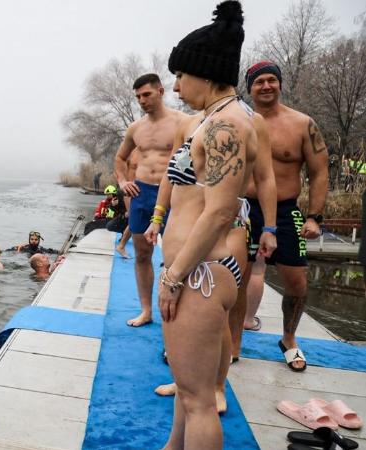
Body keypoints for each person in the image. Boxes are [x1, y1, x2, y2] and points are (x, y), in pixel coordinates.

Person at [148, 2, 252, 448]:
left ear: (205, 74)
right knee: (189, 391)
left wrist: (172, 277)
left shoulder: (223, 126)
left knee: (198, 401)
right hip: (206, 268)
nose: (176, 85)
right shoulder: (223, 118)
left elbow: (219, 211)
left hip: (199, 273)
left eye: (181, 75)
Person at [242, 60, 329, 372]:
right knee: (232, 275)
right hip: (243, 208)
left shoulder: (302, 124)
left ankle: (289, 338)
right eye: (258, 82)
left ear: (279, 84)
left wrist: (315, 217)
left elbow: (320, 173)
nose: (266, 86)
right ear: (249, 88)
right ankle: (230, 336)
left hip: (285, 210)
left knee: (297, 282)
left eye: (271, 80)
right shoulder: (240, 122)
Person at [114, 73, 189, 327]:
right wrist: (124, 183)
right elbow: (120, 159)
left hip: (175, 192)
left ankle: (179, 315)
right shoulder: (136, 128)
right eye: (137, 97)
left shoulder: (183, 122)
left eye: (146, 94)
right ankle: (146, 311)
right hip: (142, 192)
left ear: (160, 91)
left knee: (177, 257)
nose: (142, 100)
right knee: (142, 255)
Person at [115, 152, 140, 259]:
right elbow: (117, 170)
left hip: (140, 190)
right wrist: (122, 182)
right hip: (130, 191)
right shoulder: (129, 153)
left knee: (137, 220)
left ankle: (122, 245)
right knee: (134, 219)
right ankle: (121, 246)